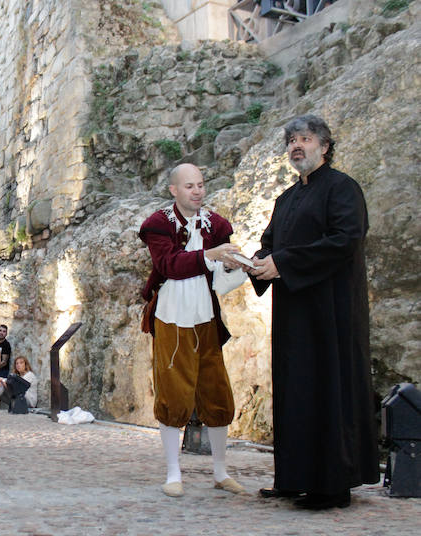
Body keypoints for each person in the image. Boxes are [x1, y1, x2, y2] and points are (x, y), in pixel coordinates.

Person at [248, 115, 378, 510]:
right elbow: (270, 242)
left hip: (331, 311)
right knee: (295, 389)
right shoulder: (286, 199)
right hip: (293, 311)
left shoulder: (343, 189)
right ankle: (294, 478)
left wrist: (283, 263)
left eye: (305, 139)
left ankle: (331, 485)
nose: (296, 146)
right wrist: (255, 262)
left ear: (324, 146)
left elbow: (344, 240)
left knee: (327, 387)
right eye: (290, 141)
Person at [138, 162, 245, 499]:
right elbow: (169, 265)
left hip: (205, 316)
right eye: (189, 186)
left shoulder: (217, 224)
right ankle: (173, 472)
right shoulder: (157, 225)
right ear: (174, 190)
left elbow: (221, 267)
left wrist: (232, 261)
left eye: (200, 184)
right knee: (173, 392)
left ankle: (220, 471)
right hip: (171, 316)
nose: (198, 191)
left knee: (216, 391)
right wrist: (209, 254)